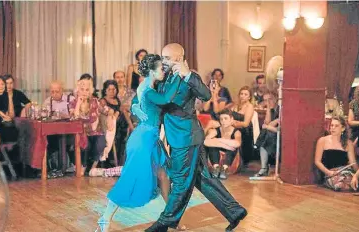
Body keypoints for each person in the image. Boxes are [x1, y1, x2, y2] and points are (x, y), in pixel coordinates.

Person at [141, 43, 246, 232]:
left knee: (181, 181)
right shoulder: (165, 77)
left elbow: (205, 95)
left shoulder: (190, 76)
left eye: (166, 58)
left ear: (178, 59)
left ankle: (164, 223)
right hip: (179, 136)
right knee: (202, 178)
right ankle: (235, 211)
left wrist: (188, 74)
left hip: (187, 137)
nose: (162, 61)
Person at [96, 54, 182, 232]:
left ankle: (171, 219)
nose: (163, 71)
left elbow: (134, 103)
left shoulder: (147, 86)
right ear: (151, 71)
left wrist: (136, 107)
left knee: (164, 176)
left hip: (150, 138)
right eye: (160, 68)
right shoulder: (149, 90)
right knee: (130, 180)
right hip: (143, 140)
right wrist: (179, 77)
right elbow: (165, 100)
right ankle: (104, 219)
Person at [204, 109, 241, 179]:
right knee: (212, 145)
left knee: (232, 146)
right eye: (221, 119)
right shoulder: (216, 130)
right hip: (217, 155)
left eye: (226, 118)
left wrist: (218, 140)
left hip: (233, 159)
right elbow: (205, 141)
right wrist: (221, 144)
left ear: (231, 119)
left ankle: (225, 168)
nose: (223, 121)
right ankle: (216, 167)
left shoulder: (236, 132)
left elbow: (237, 143)